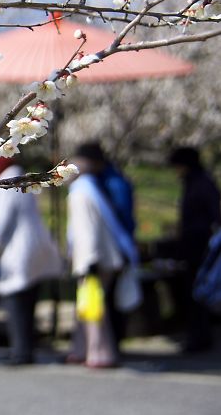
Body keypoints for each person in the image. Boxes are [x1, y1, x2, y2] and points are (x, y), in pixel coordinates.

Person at [0, 158, 62, 365]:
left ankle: (20, 351)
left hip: (19, 251)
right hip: (35, 247)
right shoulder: (22, 178)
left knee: (15, 302)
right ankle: (26, 348)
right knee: (29, 302)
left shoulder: (8, 183)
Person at [66, 146, 137, 368]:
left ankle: (99, 353)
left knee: (93, 307)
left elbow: (87, 230)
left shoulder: (80, 191)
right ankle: (82, 349)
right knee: (89, 305)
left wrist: (89, 261)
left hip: (93, 259)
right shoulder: (91, 187)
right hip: (105, 256)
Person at [169, 146, 220, 352]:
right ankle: (198, 335)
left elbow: (214, 215)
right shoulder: (197, 182)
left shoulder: (201, 184)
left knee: (197, 293)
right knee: (193, 293)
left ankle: (199, 337)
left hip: (200, 246)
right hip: (194, 244)